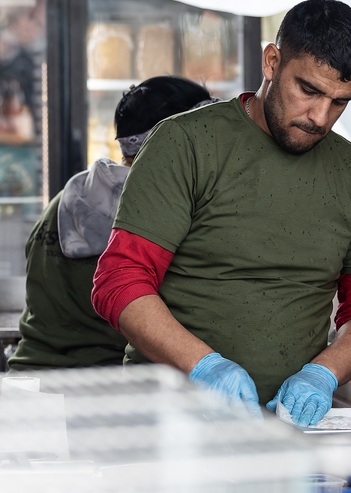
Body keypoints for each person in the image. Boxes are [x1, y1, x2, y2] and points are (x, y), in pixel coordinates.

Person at [91, 0, 351, 426]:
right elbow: (119, 281)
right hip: (165, 425)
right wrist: (203, 366)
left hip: (283, 433)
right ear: (272, 62)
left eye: (339, 102)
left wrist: (323, 373)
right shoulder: (185, 144)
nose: (320, 117)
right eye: (308, 90)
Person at [8, 76, 213, 370]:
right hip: (106, 390)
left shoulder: (64, 200)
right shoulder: (161, 214)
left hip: (33, 375)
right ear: (175, 139)